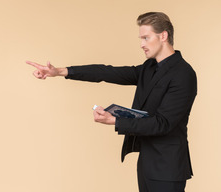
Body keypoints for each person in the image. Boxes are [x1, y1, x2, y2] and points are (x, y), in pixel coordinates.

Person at [27, 12, 197, 192]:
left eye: (146, 38)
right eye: (141, 38)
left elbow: (163, 124)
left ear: (163, 35)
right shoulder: (150, 68)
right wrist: (61, 71)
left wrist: (116, 121)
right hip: (147, 163)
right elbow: (108, 72)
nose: (142, 44)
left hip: (168, 169)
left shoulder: (183, 74)